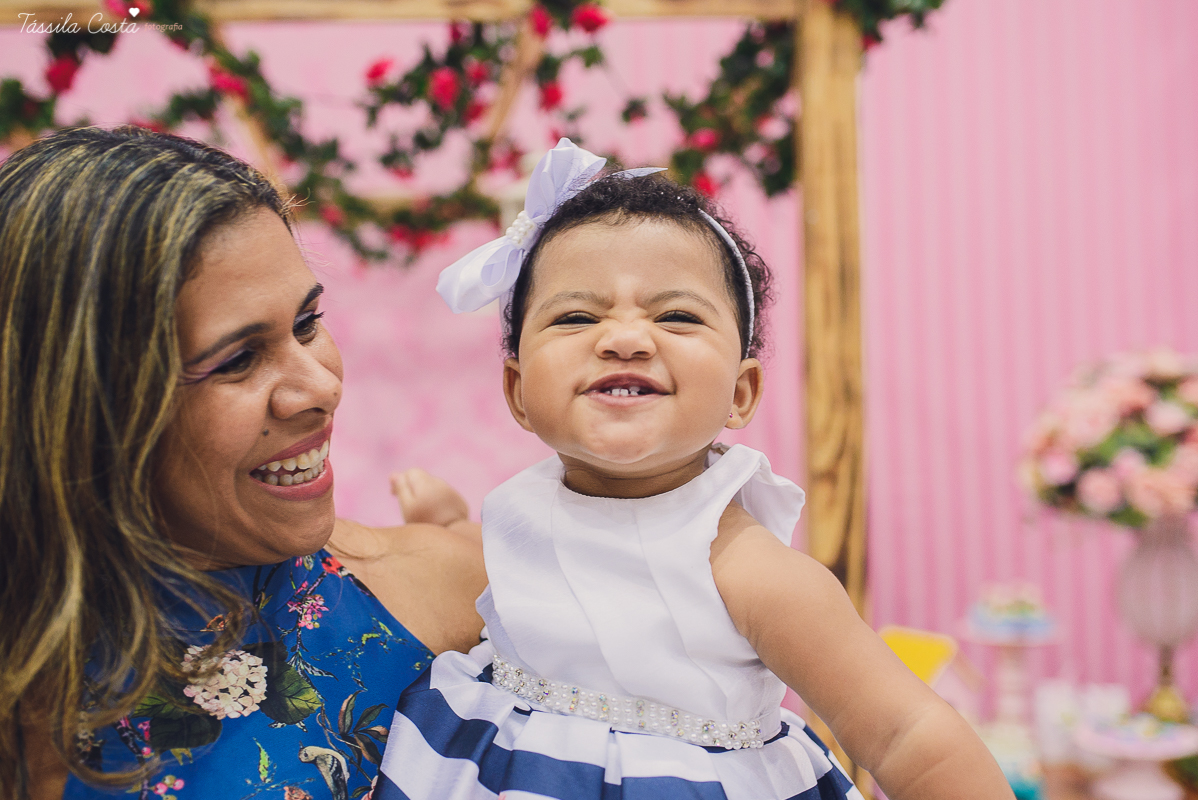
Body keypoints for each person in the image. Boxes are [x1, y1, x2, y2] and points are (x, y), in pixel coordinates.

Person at [376, 139, 1014, 800]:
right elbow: (513, 583)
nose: (624, 337)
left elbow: (906, 733)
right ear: (517, 392)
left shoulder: (751, 572)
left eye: (676, 316)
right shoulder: (520, 508)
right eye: (576, 316)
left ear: (740, 393)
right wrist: (450, 524)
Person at [0, 127, 488, 800]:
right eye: (237, 359)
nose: (321, 389)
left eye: (308, 323)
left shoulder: (453, 595)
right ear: (85, 408)